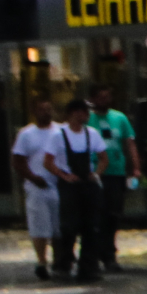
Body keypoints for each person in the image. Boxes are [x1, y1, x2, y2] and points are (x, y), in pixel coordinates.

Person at [49, 99, 107, 282]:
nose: (86, 116)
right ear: (73, 113)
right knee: (69, 226)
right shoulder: (59, 135)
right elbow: (48, 161)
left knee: (91, 226)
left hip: (87, 184)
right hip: (69, 185)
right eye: (83, 112)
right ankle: (64, 263)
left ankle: (88, 266)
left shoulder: (92, 134)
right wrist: (63, 175)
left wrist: (96, 173)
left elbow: (103, 158)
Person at [9, 99, 62, 281]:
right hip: (37, 186)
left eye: (48, 109)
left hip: (58, 184)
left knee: (59, 226)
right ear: (34, 111)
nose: (46, 112)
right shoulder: (26, 134)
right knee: (40, 226)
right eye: (41, 109)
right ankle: (42, 261)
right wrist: (32, 177)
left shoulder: (60, 131)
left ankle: (60, 260)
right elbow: (18, 160)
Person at [87, 86, 138, 271]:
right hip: (94, 173)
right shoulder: (88, 119)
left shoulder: (119, 118)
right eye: (100, 97)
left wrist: (135, 167)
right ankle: (97, 253)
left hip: (116, 172)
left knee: (113, 214)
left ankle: (109, 254)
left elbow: (129, 143)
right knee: (97, 214)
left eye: (107, 97)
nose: (104, 100)